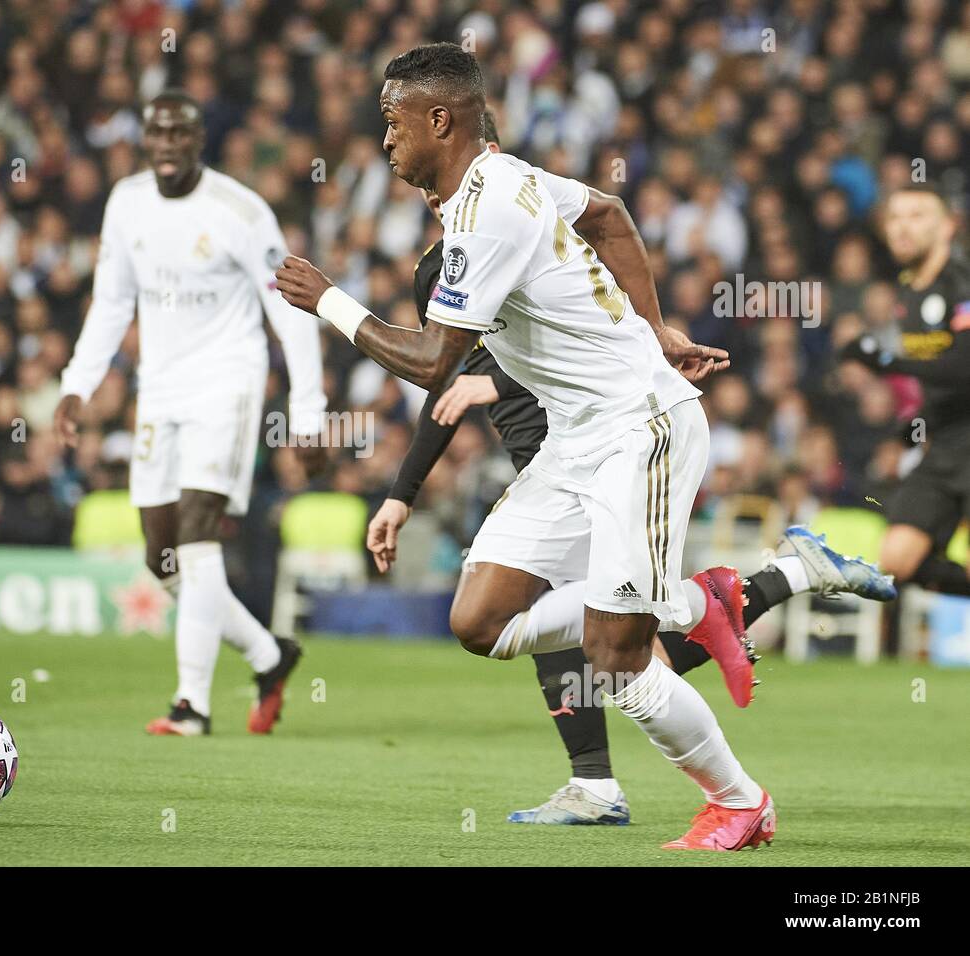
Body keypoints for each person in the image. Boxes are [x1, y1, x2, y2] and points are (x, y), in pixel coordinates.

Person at [277, 42, 784, 850]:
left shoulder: (489, 211)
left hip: (642, 430)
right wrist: (652, 327)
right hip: (579, 438)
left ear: (439, 119)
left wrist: (329, 302)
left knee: (614, 658)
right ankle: (695, 604)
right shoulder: (511, 178)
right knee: (480, 621)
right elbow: (610, 216)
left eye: (393, 122)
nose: (385, 141)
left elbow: (432, 364)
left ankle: (739, 800)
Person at [367, 112, 896, 826]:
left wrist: (494, 383)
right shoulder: (451, 261)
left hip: (615, 447)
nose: (401, 156)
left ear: (467, 142)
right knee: (564, 638)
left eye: (402, 129)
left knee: (620, 654)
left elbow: (537, 351)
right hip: (559, 460)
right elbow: (445, 381)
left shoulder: (512, 218)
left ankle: (674, 768)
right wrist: (402, 493)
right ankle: (733, 604)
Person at [54, 91, 328, 736]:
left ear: (199, 139)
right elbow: (112, 300)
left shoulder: (239, 210)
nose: (168, 144)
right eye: (157, 133)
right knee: (163, 557)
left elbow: (288, 306)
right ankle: (269, 655)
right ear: (145, 139)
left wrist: (308, 409)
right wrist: (77, 384)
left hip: (227, 386)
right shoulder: (126, 203)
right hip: (160, 390)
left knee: (199, 532)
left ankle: (191, 705)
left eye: (180, 133)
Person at [840, 186, 970, 595]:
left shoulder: (962, 282)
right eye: (894, 218)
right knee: (896, 562)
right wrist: (908, 430)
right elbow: (944, 384)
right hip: (945, 446)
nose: (901, 228)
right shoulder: (908, 291)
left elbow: (965, 368)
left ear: (948, 225)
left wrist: (883, 360)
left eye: (916, 216)